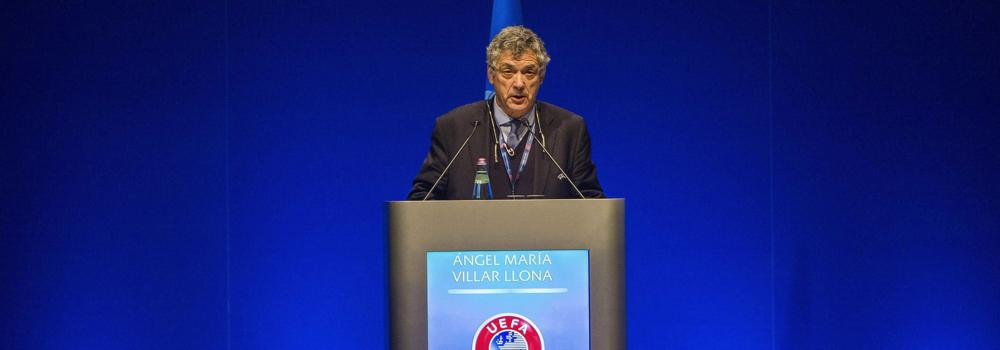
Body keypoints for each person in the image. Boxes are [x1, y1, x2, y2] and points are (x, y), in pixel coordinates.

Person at [408, 26, 604, 200]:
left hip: (544, 242)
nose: (519, 84)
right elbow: (422, 200)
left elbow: (590, 204)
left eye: (529, 72)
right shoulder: (454, 129)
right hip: (474, 241)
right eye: (508, 72)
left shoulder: (569, 130)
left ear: (541, 77)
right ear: (491, 75)